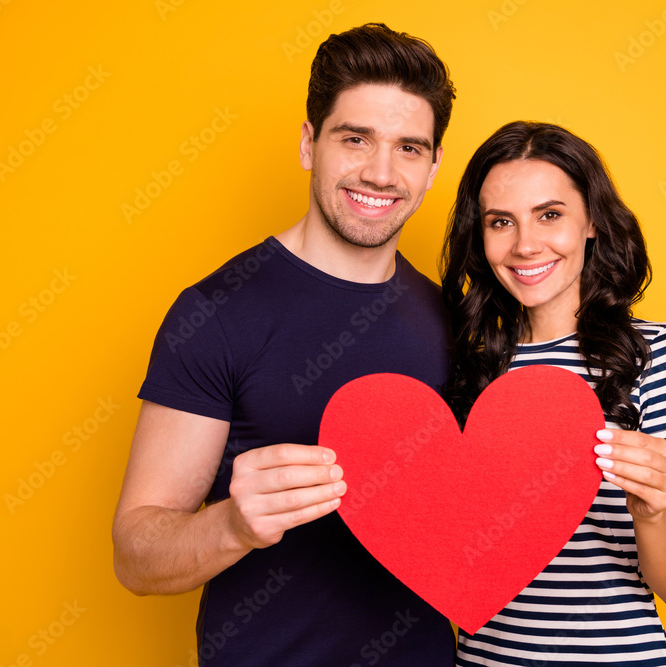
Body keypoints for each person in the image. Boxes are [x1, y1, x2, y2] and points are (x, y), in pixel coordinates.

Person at [111, 23, 457, 666]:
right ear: (308, 144)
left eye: (409, 148)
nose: (381, 173)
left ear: (434, 166)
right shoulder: (216, 313)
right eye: (356, 139)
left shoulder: (454, 319)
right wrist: (232, 525)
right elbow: (135, 554)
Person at [440, 121, 666, 666]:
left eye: (550, 214)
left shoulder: (654, 354)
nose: (525, 244)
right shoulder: (467, 362)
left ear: (590, 222)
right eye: (500, 222)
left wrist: (652, 515)